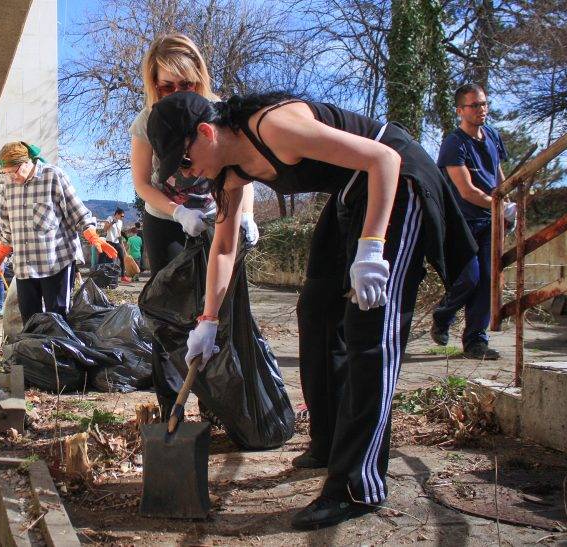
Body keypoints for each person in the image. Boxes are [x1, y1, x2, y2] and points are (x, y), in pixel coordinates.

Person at [145, 91, 477, 530]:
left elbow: (384, 161)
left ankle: (358, 486)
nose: (186, 175)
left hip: (395, 181)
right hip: (351, 188)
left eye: (184, 162)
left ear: (205, 133)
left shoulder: (275, 128)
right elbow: (224, 249)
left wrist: (372, 249)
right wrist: (207, 322)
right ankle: (328, 443)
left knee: (369, 332)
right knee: (317, 312)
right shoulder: (228, 172)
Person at [130, 33, 260, 419]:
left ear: (199, 79)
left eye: (185, 84)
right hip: (167, 222)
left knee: (214, 309)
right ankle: (173, 405)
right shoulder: (145, 122)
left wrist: (247, 213)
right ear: (153, 84)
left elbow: (244, 168)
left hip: (218, 216)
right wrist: (177, 211)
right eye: (166, 85)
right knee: (171, 313)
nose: (175, 92)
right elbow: (142, 183)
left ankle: (215, 406)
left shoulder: (221, 112)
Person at [0, 142, 117, 325]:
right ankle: (35, 353)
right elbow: (7, 227)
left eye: (12, 171)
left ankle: (59, 353)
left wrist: (93, 235)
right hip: (25, 267)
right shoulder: (9, 187)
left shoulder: (53, 176)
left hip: (56, 263)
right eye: (5, 173)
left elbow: (78, 213)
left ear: (26, 162)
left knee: (57, 319)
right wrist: (0, 254)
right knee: (30, 321)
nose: (10, 177)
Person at [431, 84, 514, 360]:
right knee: (470, 277)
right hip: (462, 221)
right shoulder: (454, 143)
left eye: (484, 104)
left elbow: (497, 174)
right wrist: (500, 206)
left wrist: (506, 199)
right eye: (475, 105)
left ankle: (476, 342)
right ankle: (443, 315)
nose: (482, 110)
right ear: (460, 111)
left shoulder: (491, 135)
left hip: (489, 219)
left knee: (489, 281)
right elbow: (467, 191)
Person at [104, 208, 131, 283]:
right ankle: (110, 277)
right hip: (109, 242)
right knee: (112, 260)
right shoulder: (110, 218)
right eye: (121, 216)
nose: (122, 218)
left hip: (117, 242)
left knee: (122, 258)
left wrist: (122, 244)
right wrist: (112, 222)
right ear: (117, 214)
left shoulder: (120, 222)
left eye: (123, 216)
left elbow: (119, 234)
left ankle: (123, 276)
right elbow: (105, 229)